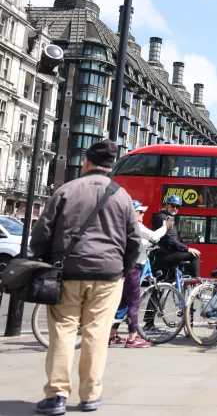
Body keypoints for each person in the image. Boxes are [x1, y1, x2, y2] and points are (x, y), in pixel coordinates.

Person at [29, 140, 140, 415]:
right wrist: (122, 270)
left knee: (63, 331)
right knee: (97, 333)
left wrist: (46, 261)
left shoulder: (66, 190)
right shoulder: (121, 195)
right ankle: (90, 395)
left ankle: (56, 395)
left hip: (68, 271)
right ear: (110, 166)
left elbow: (41, 233)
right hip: (108, 275)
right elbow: (134, 241)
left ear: (86, 163)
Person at [109, 201, 169, 349]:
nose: (143, 214)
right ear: (133, 212)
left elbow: (141, 243)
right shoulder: (135, 225)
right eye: (140, 211)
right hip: (134, 268)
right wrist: (165, 227)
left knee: (123, 302)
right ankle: (132, 338)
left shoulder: (127, 226)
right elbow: (154, 236)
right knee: (134, 303)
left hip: (126, 267)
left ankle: (111, 335)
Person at [153, 195, 201, 278]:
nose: (175, 208)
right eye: (172, 205)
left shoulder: (168, 217)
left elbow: (174, 238)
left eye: (177, 206)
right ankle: (196, 281)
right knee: (195, 255)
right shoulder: (164, 218)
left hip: (166, 253)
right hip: (164, 254)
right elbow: (171, 240)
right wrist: (188, 249)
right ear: (167, 205)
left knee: (169, 281)